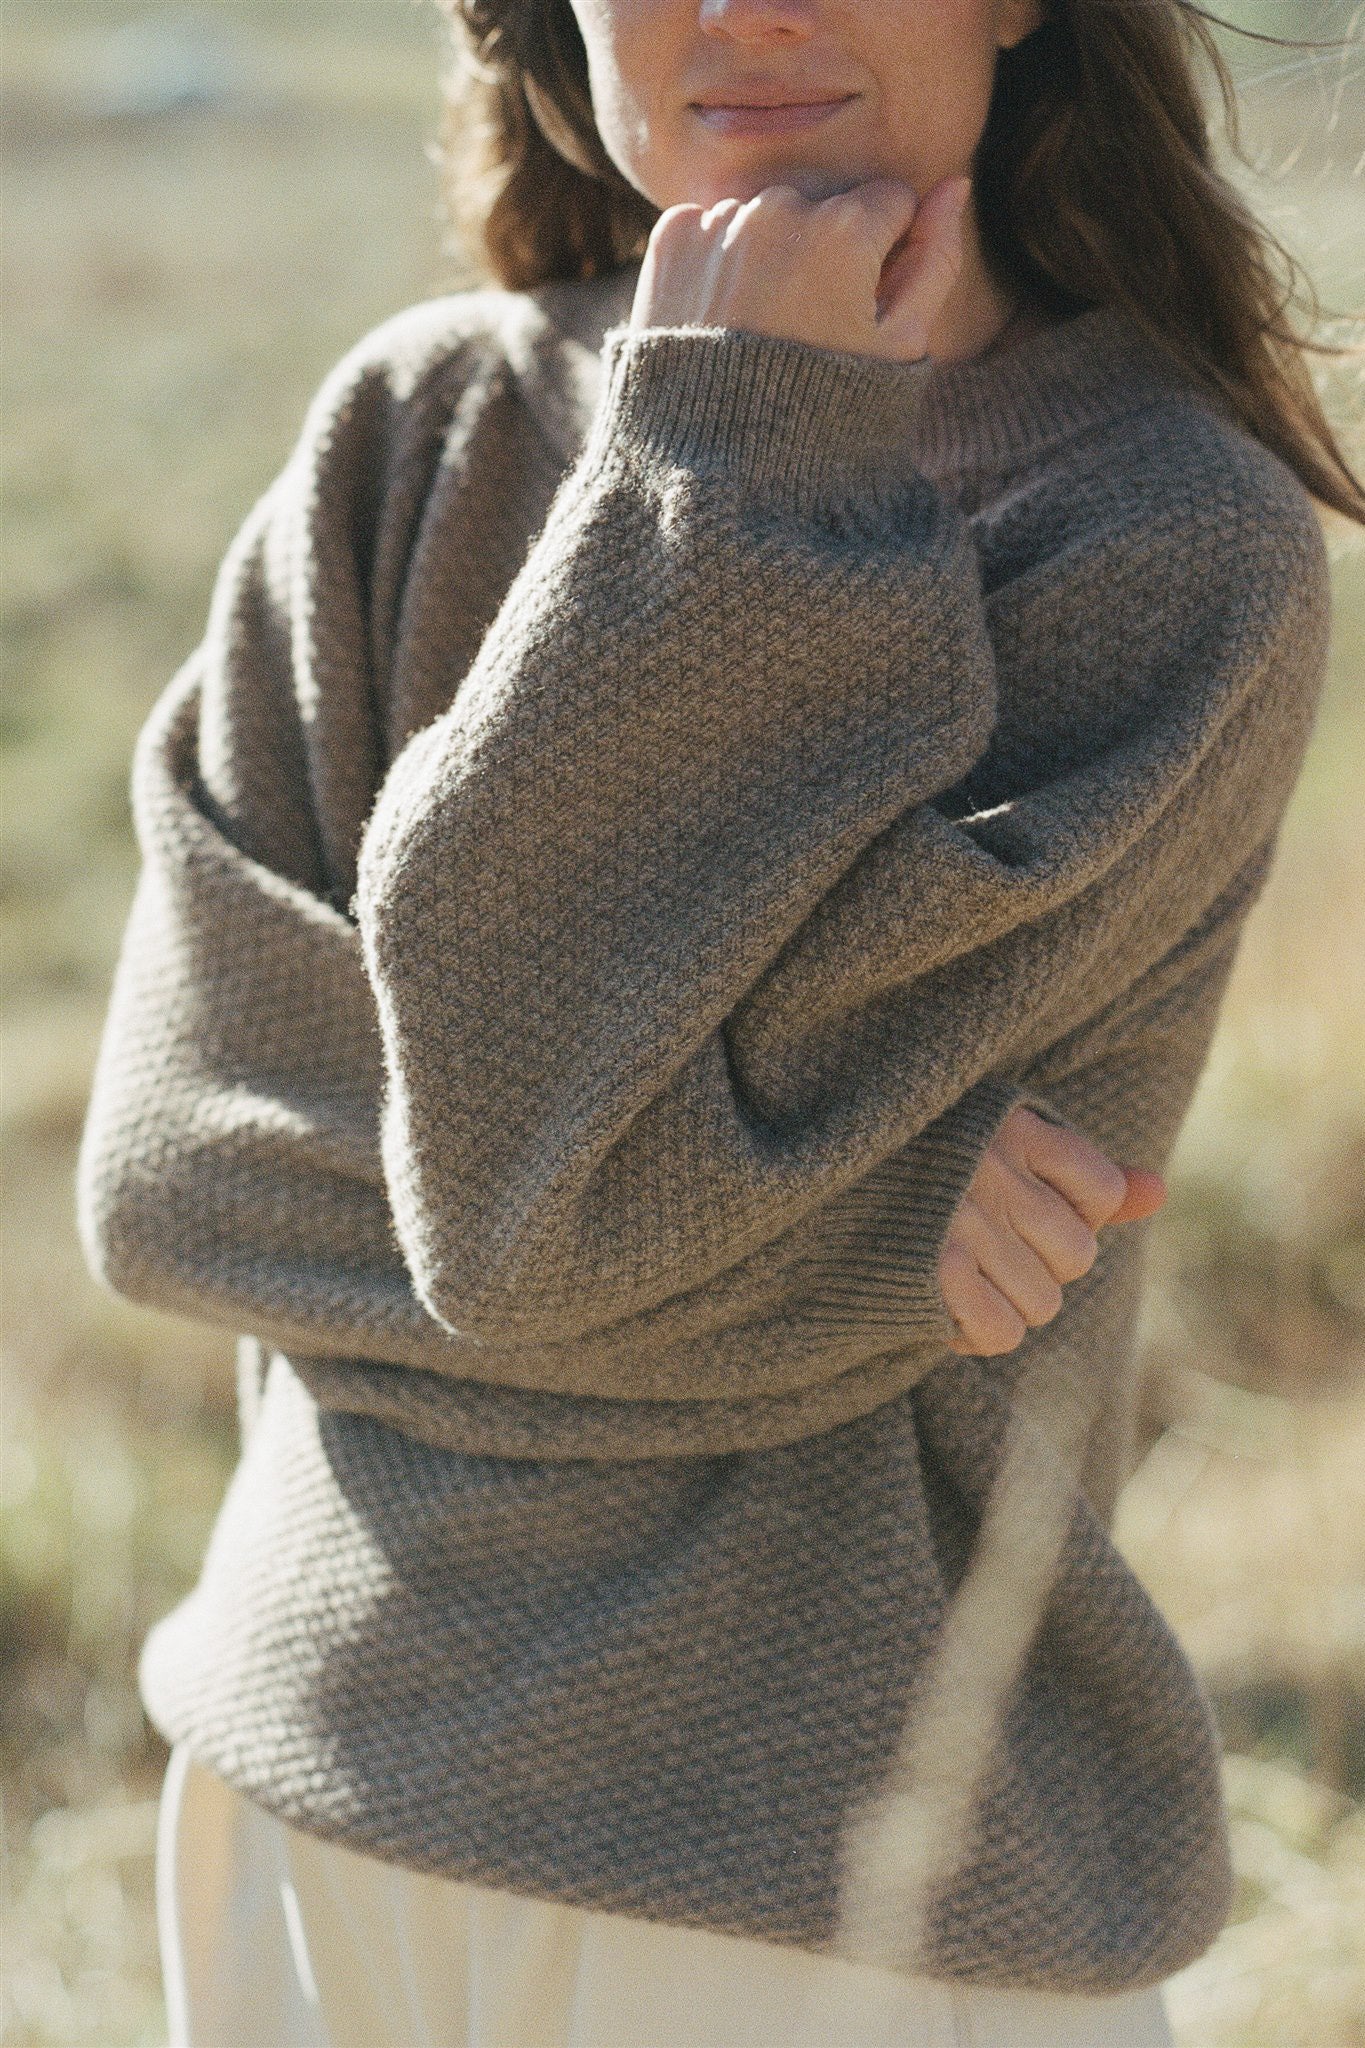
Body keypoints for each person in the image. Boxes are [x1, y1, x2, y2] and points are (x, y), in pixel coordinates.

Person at [75, 0, 1363, 2042]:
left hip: (806, 1894)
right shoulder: (413, 430)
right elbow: (177, 1176)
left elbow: (517, 1229)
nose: (738, 8)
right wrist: (841, 1237)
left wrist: (732, 452)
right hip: (306, 1797)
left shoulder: (1157, 540)